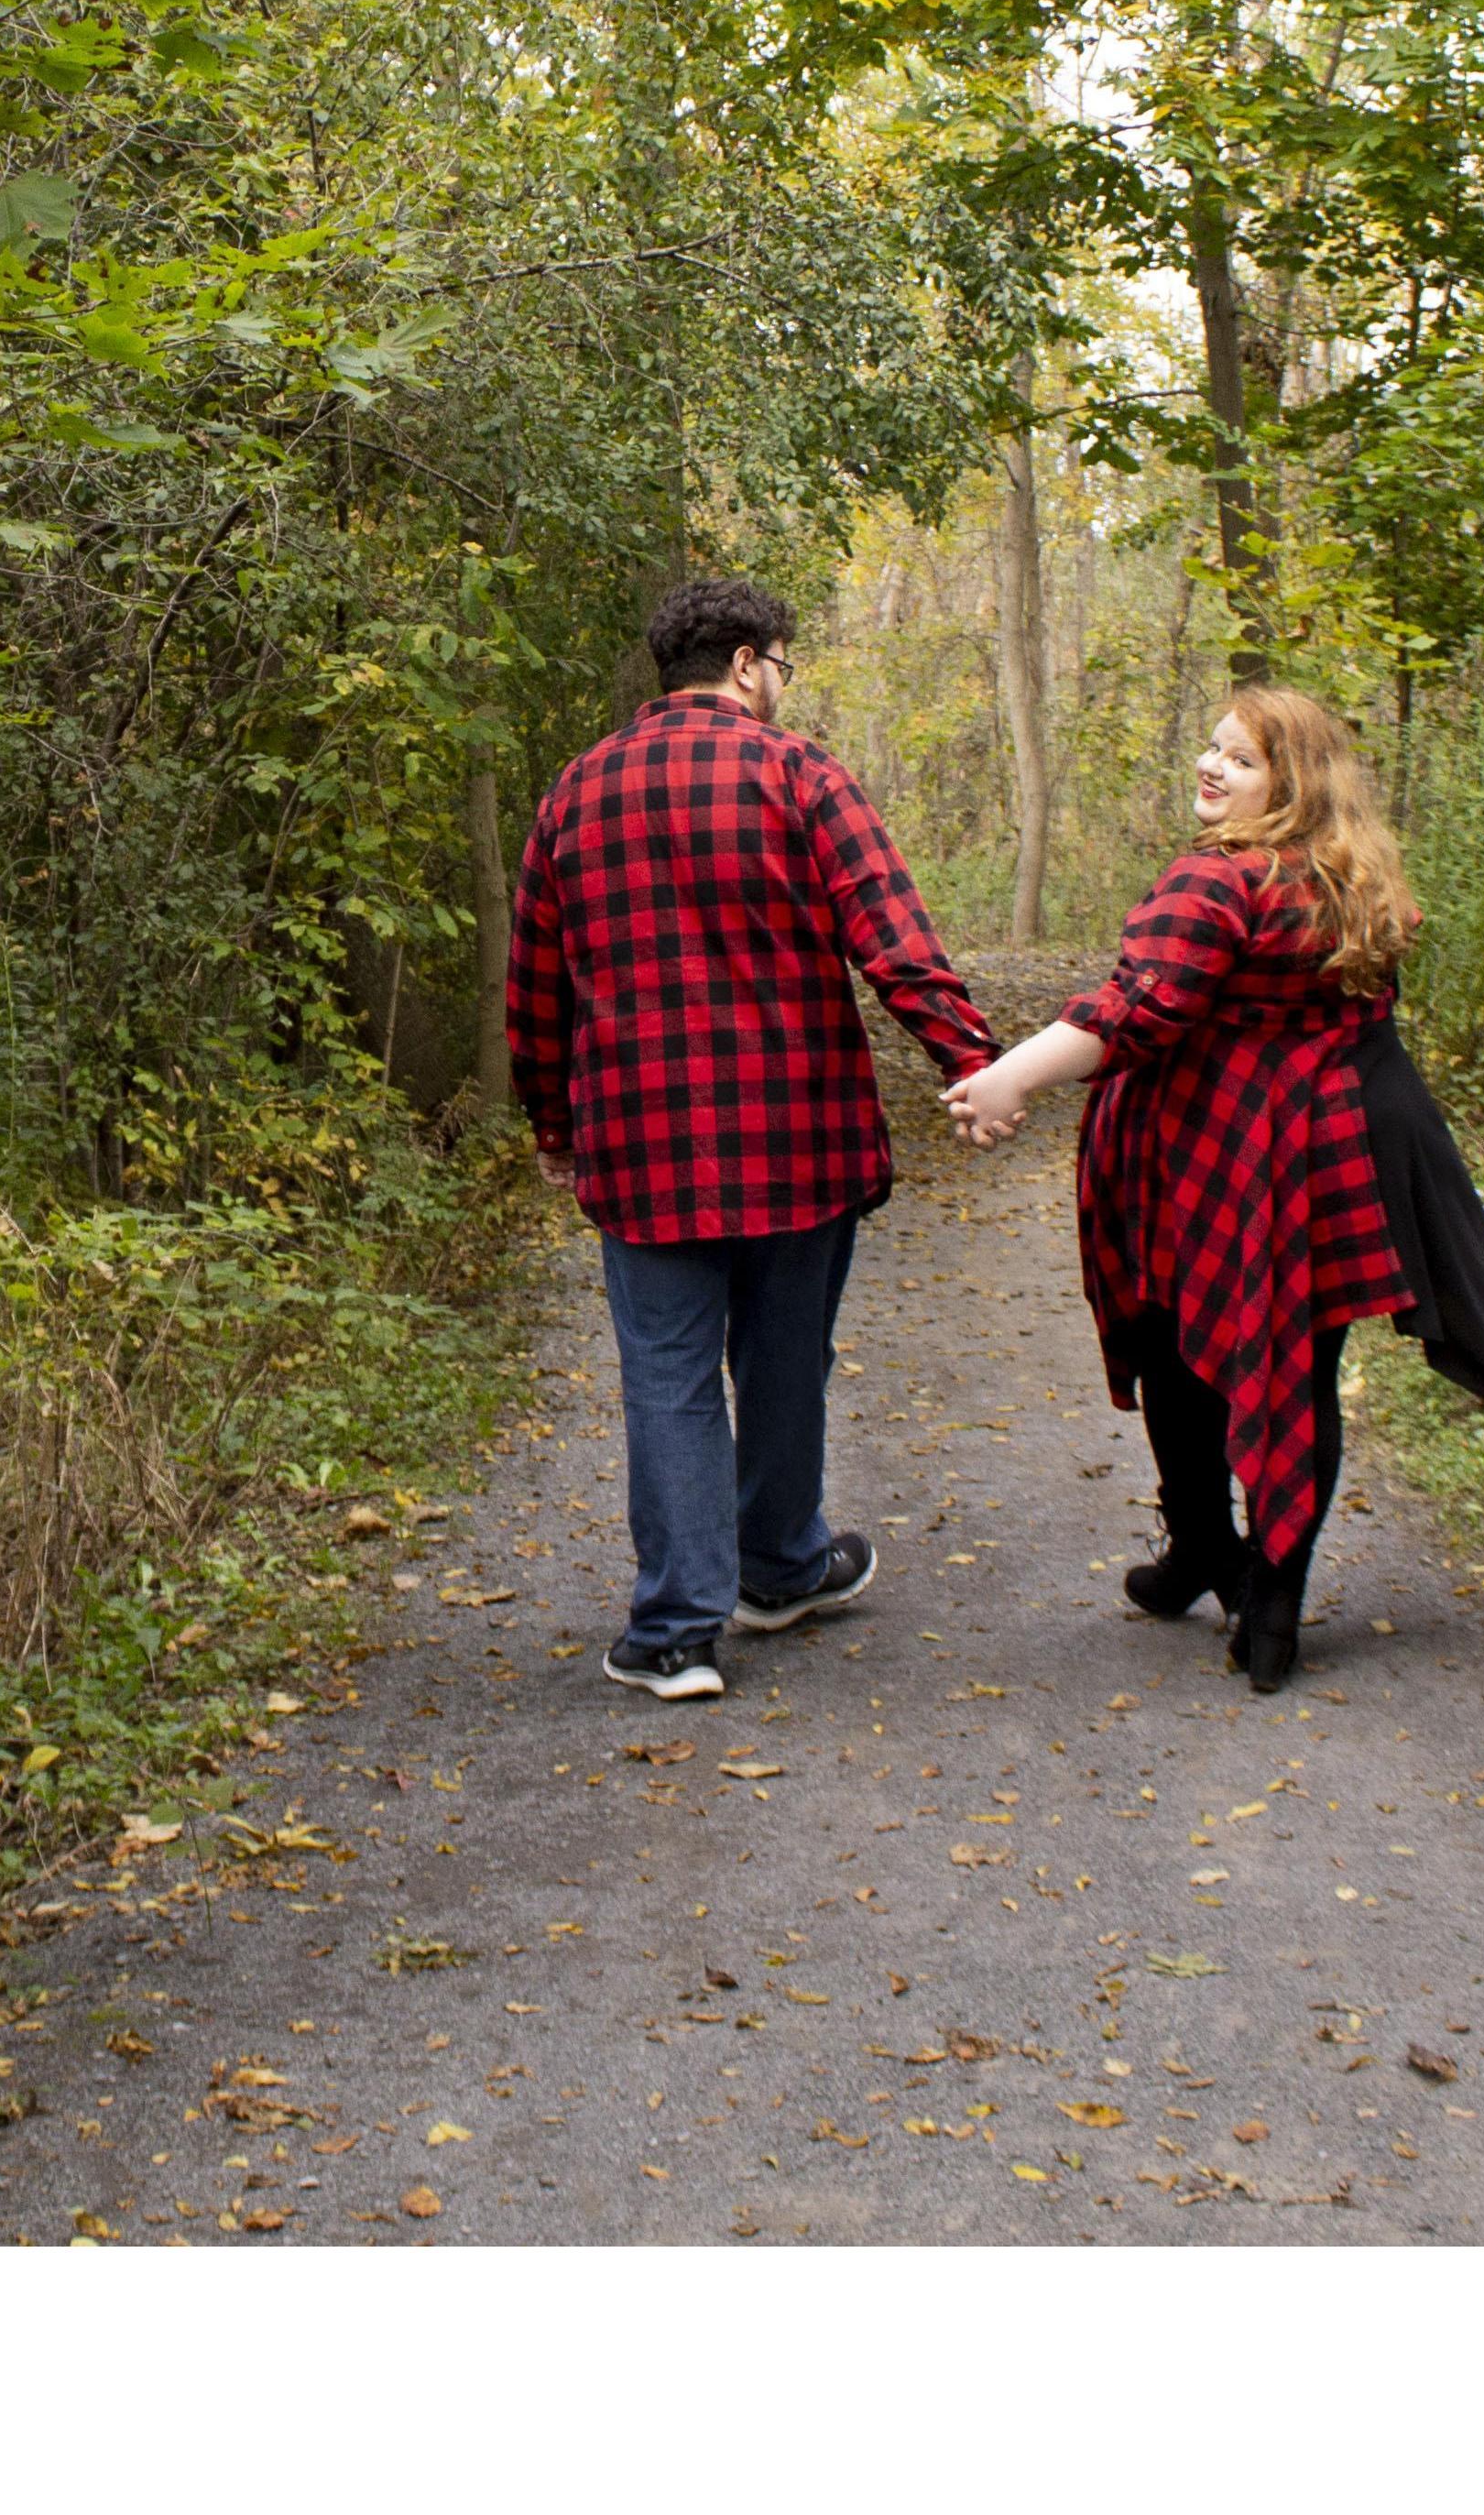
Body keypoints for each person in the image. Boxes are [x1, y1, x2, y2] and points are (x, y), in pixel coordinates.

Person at [507, 574, 1001, 1701]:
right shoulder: (799, 774)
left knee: (670, 1377)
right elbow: (895, 940)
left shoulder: (576, 793)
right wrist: (975, 1066)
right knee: (784, 1361)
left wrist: (555, 1123)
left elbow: (537, 984)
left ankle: (677, 1631)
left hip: (639, 1144)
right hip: (801, 1137)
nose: (784, 684)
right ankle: (778, 1568)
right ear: (746, 663)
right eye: (784, 663)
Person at [942, 686, 1420, 1693]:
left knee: (1173, 1342)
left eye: (1240, 761)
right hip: (1308, 1157)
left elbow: (1134, 1010)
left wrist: (1007, 1079)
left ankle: (1243, 1568)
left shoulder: (1216, 885)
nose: (1210, 767)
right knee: (1291, 1360)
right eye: (1211, 748)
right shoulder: (1352, 885)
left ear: (1290, 784)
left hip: (1202, 1152)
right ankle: (1236, 1568)